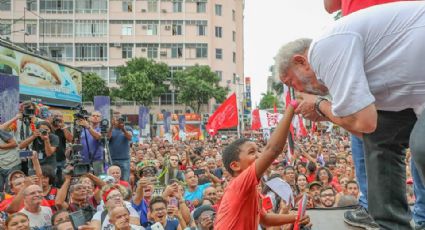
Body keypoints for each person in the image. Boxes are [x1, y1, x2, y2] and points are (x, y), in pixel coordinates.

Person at [274, 2, 425, 228]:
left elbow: (364, 122)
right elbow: (369, 129)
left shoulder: (325, 48)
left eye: (290, 82)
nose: (297, 91)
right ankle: (390, 226)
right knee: (381, 140)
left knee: (421, 144)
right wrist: (323, 110)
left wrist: (321, 106)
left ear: (300, 61)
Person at [215, 104, 311, 229]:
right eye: (252, 152)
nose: (259, 155)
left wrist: (296, 217)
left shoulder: (253, 190)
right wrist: (292, 107)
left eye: (258, 150)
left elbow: (265, 219)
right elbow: (273, 150)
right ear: (235, 165)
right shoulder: (238, 184)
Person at [47, 110, 73, 186]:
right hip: (50, 160)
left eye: (60, 116)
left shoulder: (63, 128)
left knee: (62, 181)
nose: (58, 118)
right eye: (56, 116)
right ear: (51, 117)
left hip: (62, 159)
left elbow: (70, 139)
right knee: (51, 181)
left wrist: (63, 127)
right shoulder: (48, 128)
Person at [108, 113, 133, 182]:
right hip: (112, 159)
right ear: (113, 120)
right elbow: (107, 138)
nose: (119, 121)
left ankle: (125, 192)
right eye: (116, 119)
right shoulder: (111, 129)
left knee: (125, 179)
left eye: (120, 119)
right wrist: (111, 126)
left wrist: (123, 129)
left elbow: (129, 137)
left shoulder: (127, 128)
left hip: (124, 159)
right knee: (111, 180)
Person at [79, 111, 104, 176]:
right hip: (83, 160)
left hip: (96, 160)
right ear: (89, 118)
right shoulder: (83, 129)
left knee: (97, 179)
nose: (95, 117)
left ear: (101, 119)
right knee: (84, 180)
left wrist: (88, 126)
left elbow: (97, 137)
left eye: (97, 116)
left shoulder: (102, 129)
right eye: (93, 115)